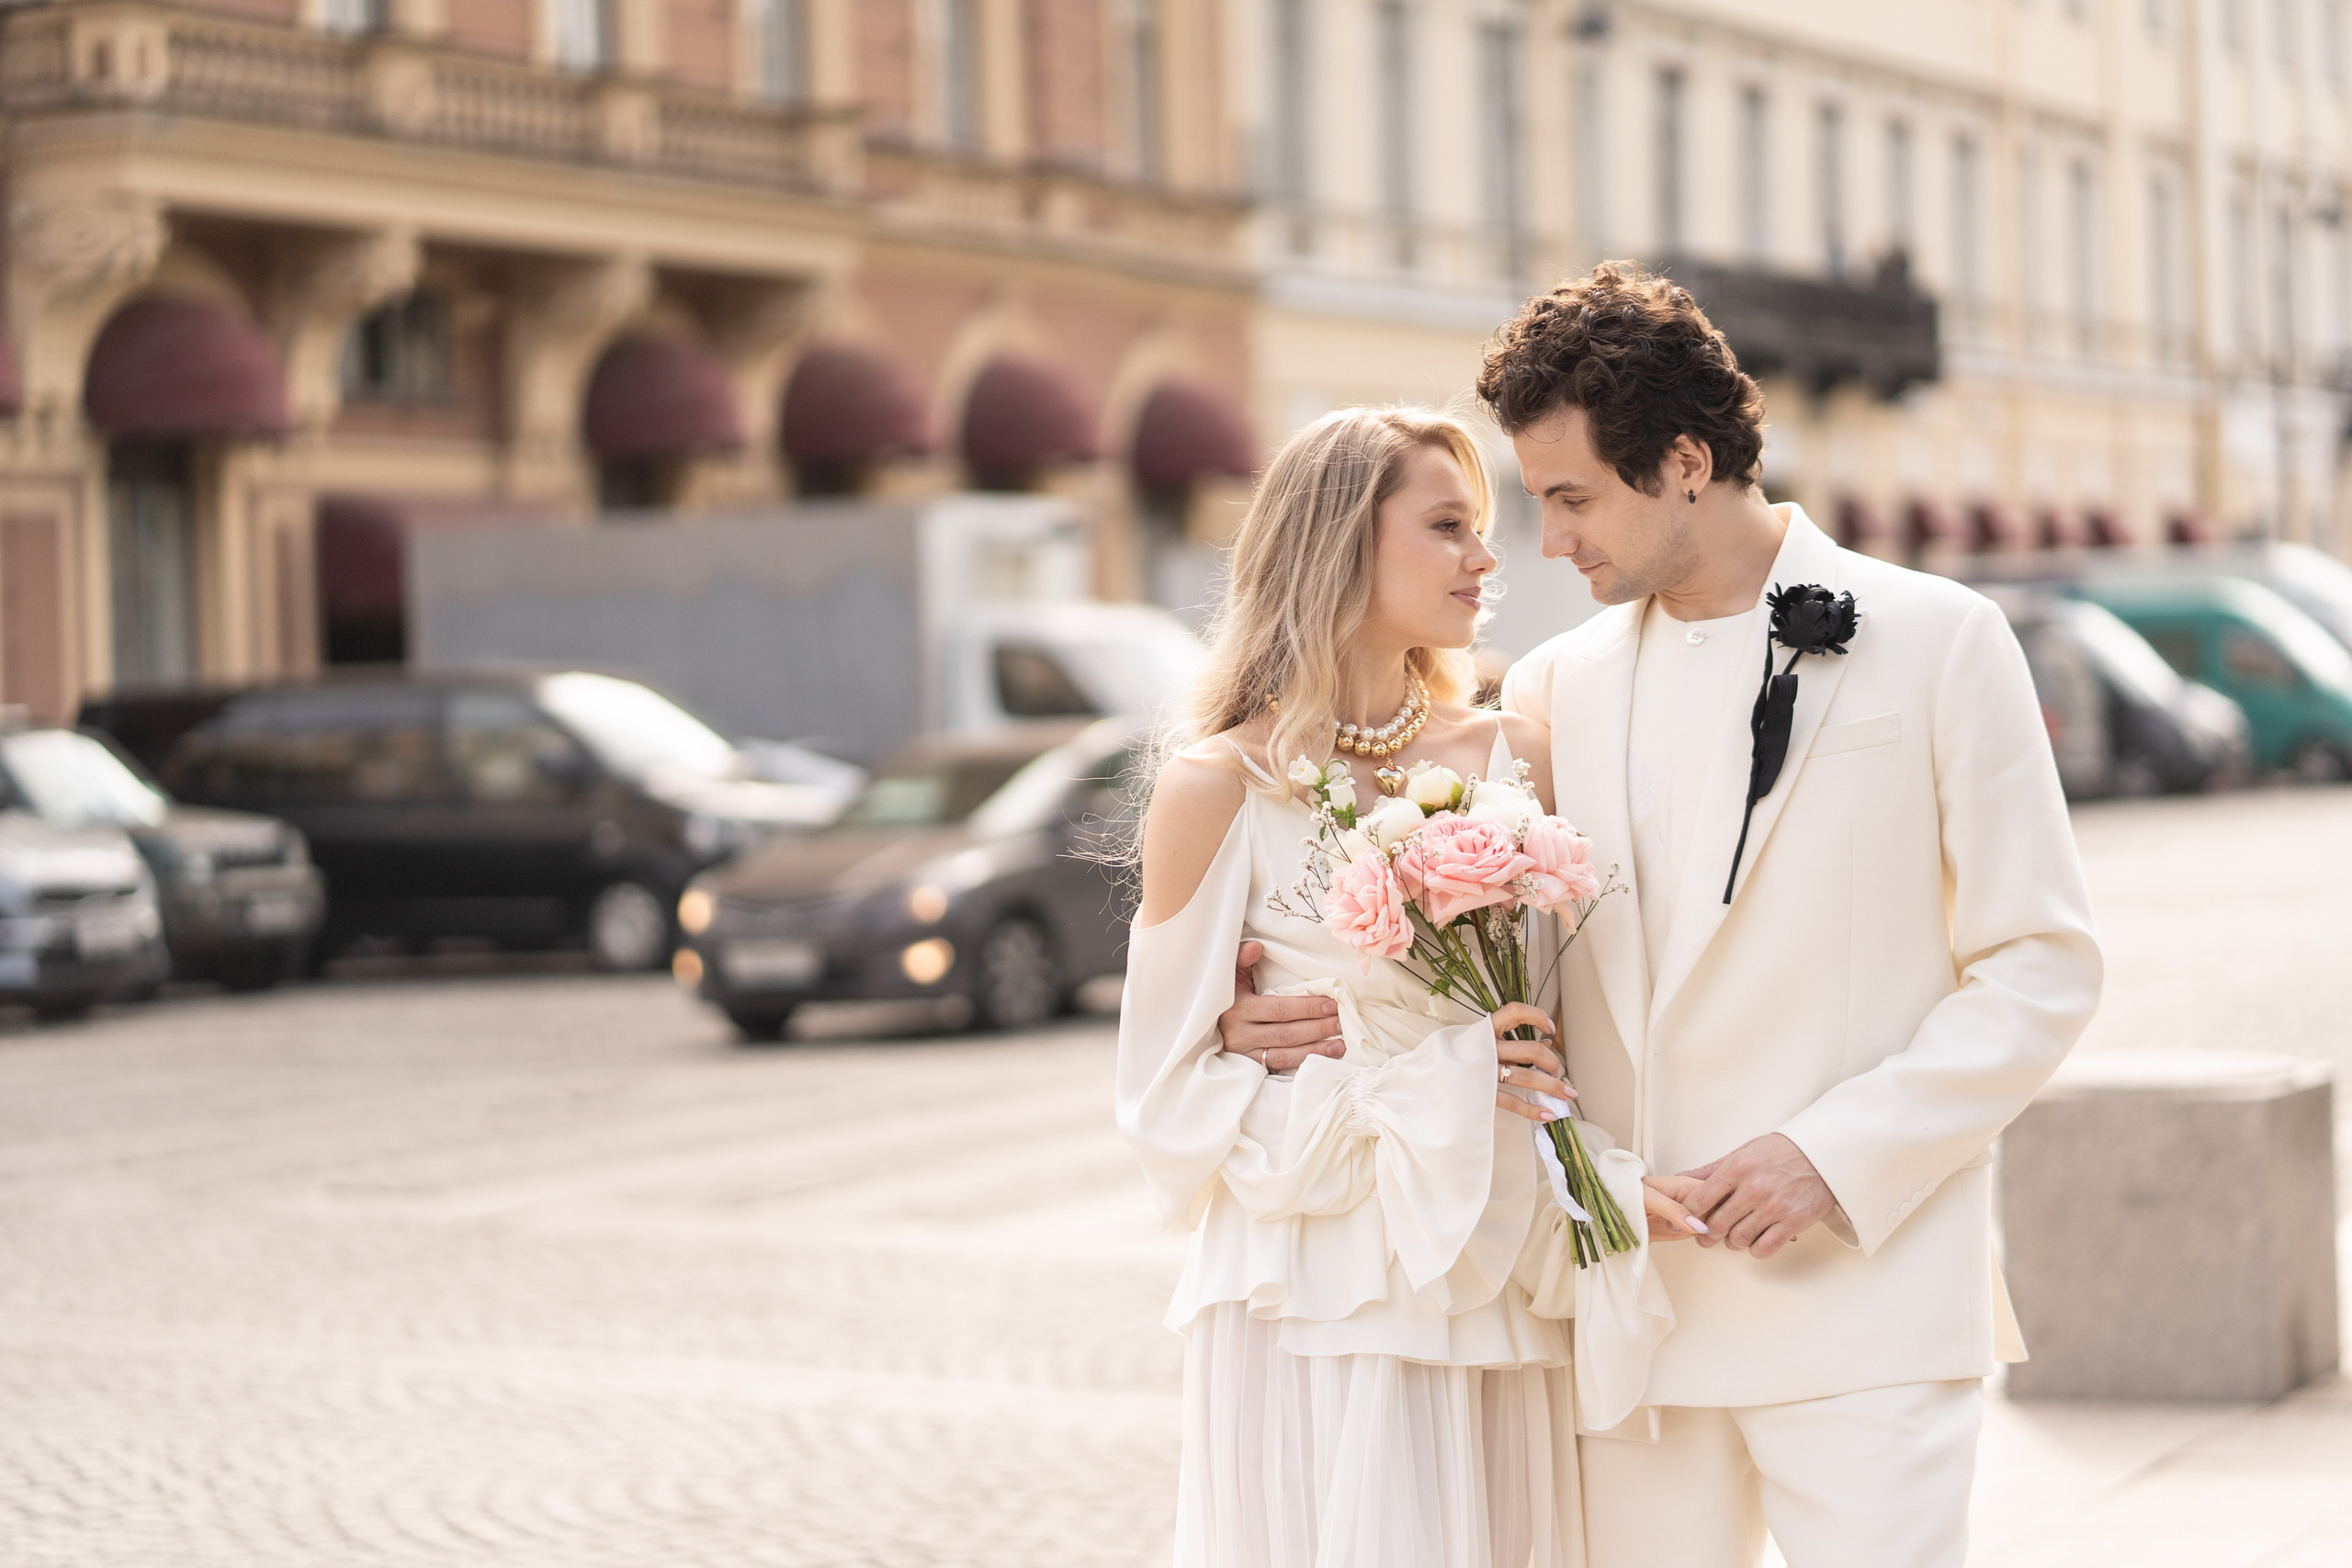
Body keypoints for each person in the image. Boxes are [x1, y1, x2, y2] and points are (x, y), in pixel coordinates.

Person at [1215, 265, 2103, 1568]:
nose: (1549, 540)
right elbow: (1472, 961)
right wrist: (1282, 1014)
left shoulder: (1942, 638)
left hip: (1863, 1299)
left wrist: (1832, 1152)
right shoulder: (1550, 692)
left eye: (1571, 498)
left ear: (1686, 461)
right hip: (1622, 1303)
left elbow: (2041, 965)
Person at [1115, 406, 1699, 1568]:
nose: (1489, 559)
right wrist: (1361, 1077)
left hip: (1492, 1273)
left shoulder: (1512, 756)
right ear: (1338, 543)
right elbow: (1162, 1100)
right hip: (1315, 1283)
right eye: (1448, 527)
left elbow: (1569, 1028)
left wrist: (1604, 1177)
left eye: (1483, 527)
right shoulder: (1214, 786)